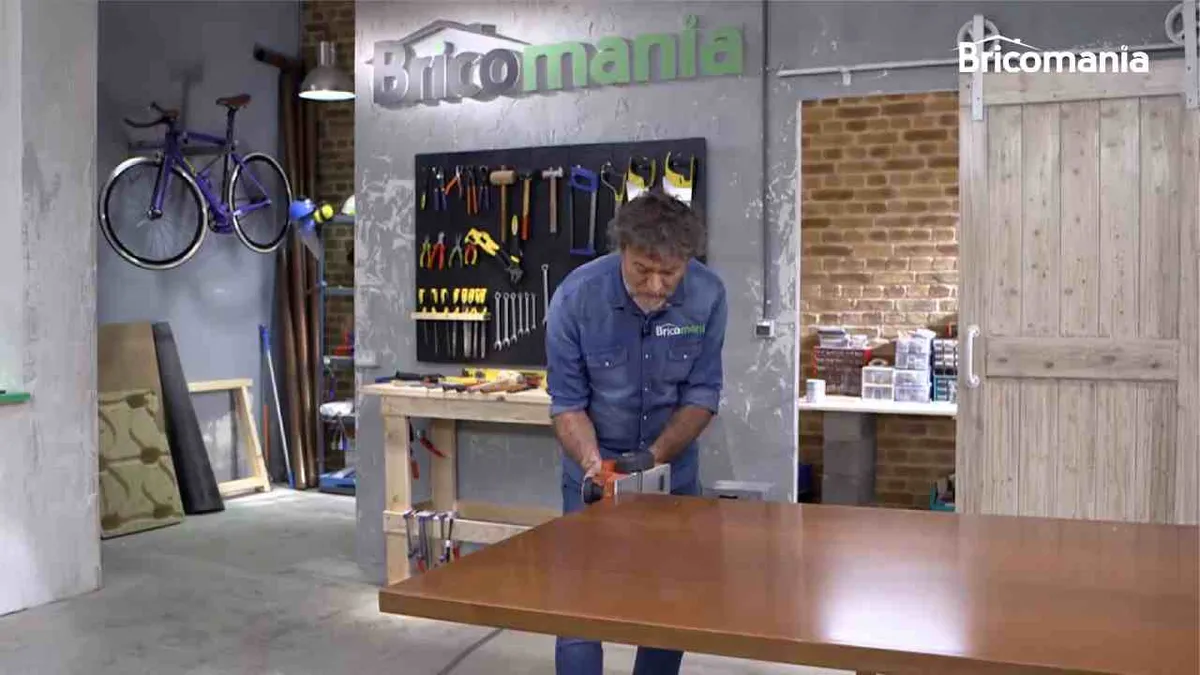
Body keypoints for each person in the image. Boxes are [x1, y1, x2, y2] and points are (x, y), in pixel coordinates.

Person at [544, 190, 728, 675]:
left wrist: (656, 456)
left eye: (670, 272)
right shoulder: (575, 297)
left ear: (688, 261)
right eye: (642, 269)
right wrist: (593, 463)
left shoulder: (708, 295)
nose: (656, 285)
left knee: (669, 602)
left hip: (673, 473)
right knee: (580, 604)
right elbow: (567, 402)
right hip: (593, 473)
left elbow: (703, 392)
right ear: (621, 250)